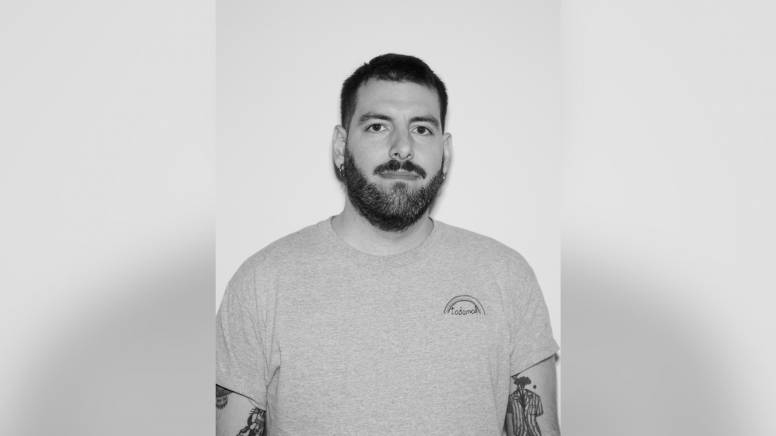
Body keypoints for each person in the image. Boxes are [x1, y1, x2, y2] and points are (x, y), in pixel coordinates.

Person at [216, 53, 560, 436]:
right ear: (340, 147)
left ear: (445, 152)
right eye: (378, 126)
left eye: (421, 129)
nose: (402, 148)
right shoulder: (263, 284)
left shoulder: (506, 277)